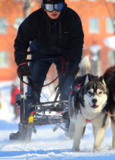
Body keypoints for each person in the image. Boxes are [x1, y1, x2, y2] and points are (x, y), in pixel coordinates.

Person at [10, 0, 84, 140]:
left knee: (67, 90)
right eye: (50, 7)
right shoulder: (34, 19)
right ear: (44, 8)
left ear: (64, 5)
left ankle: (70, 123)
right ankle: (25, 128)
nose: (54, 11)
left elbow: (77, 41)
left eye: (58, 6)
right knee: (33, 88)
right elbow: (21, 41)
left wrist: (74, 63)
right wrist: (21, 63)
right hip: (40, 54)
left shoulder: (71, 17)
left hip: (65, 54)